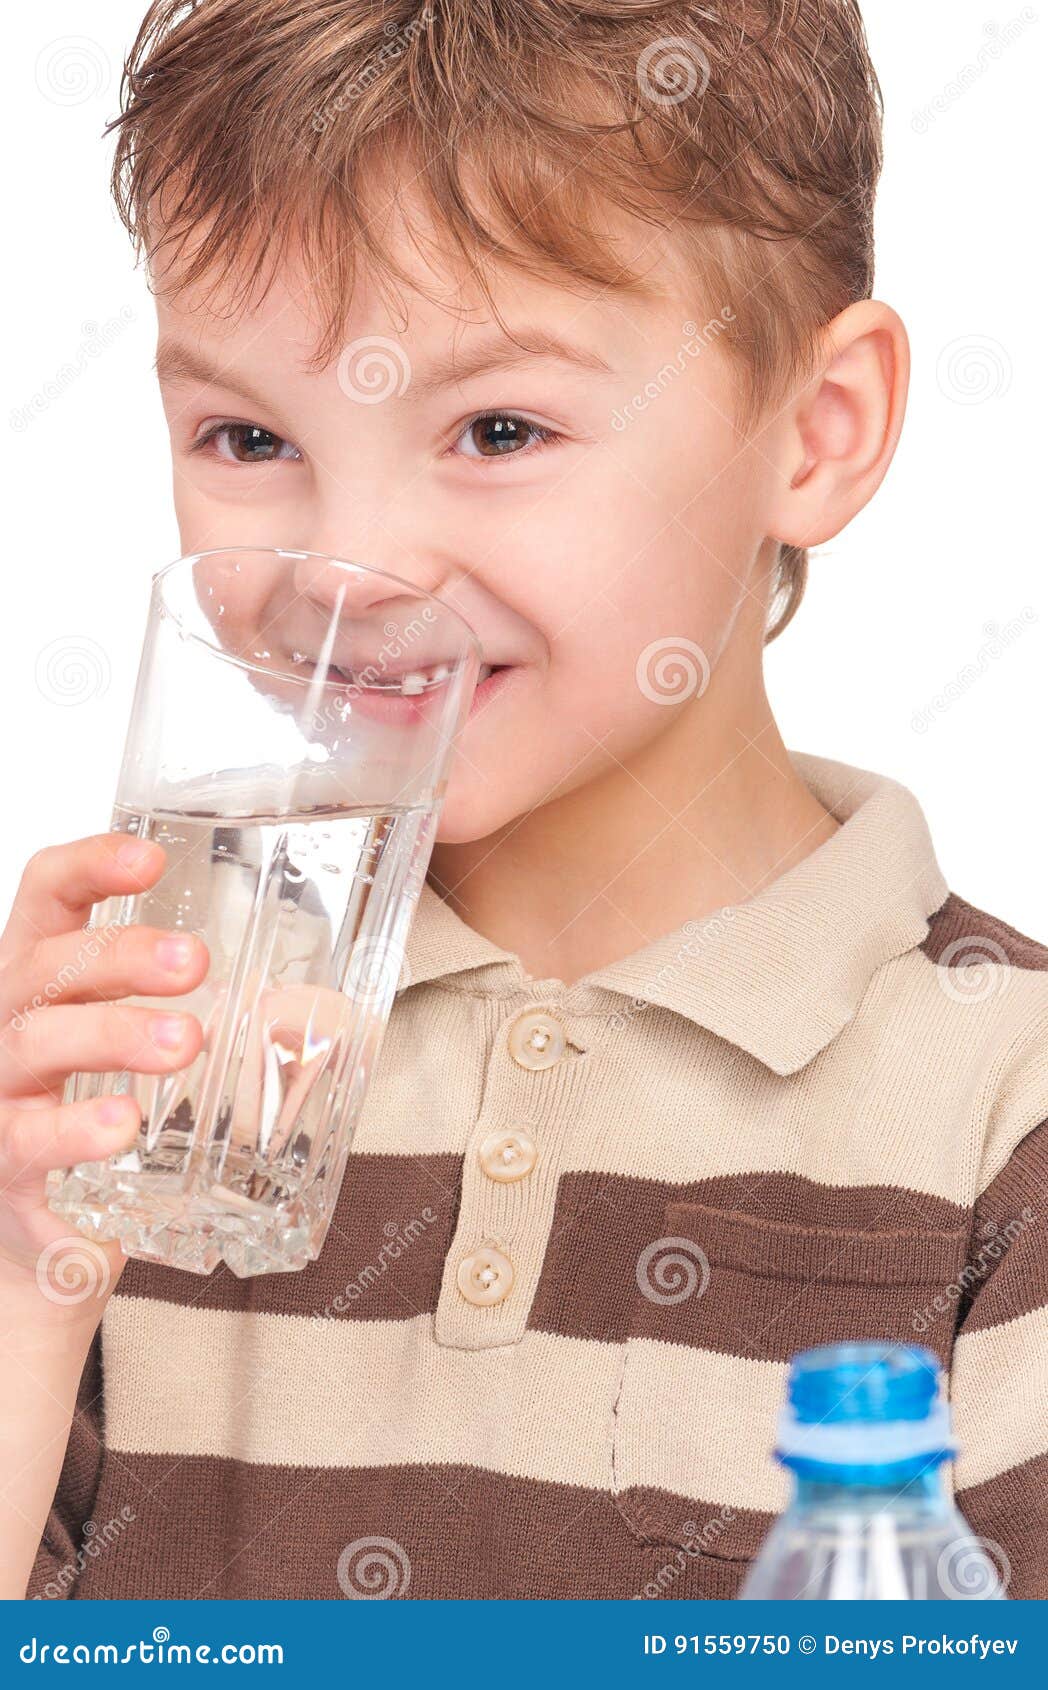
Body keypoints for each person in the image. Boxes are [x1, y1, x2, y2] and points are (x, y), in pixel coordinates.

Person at [3, 0, 1045, 1600]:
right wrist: (21, 1279)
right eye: (248, 435)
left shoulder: (1003, 1108)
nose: (357, 571)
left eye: (499, 428)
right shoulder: (151, 1093)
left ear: (818, 431)